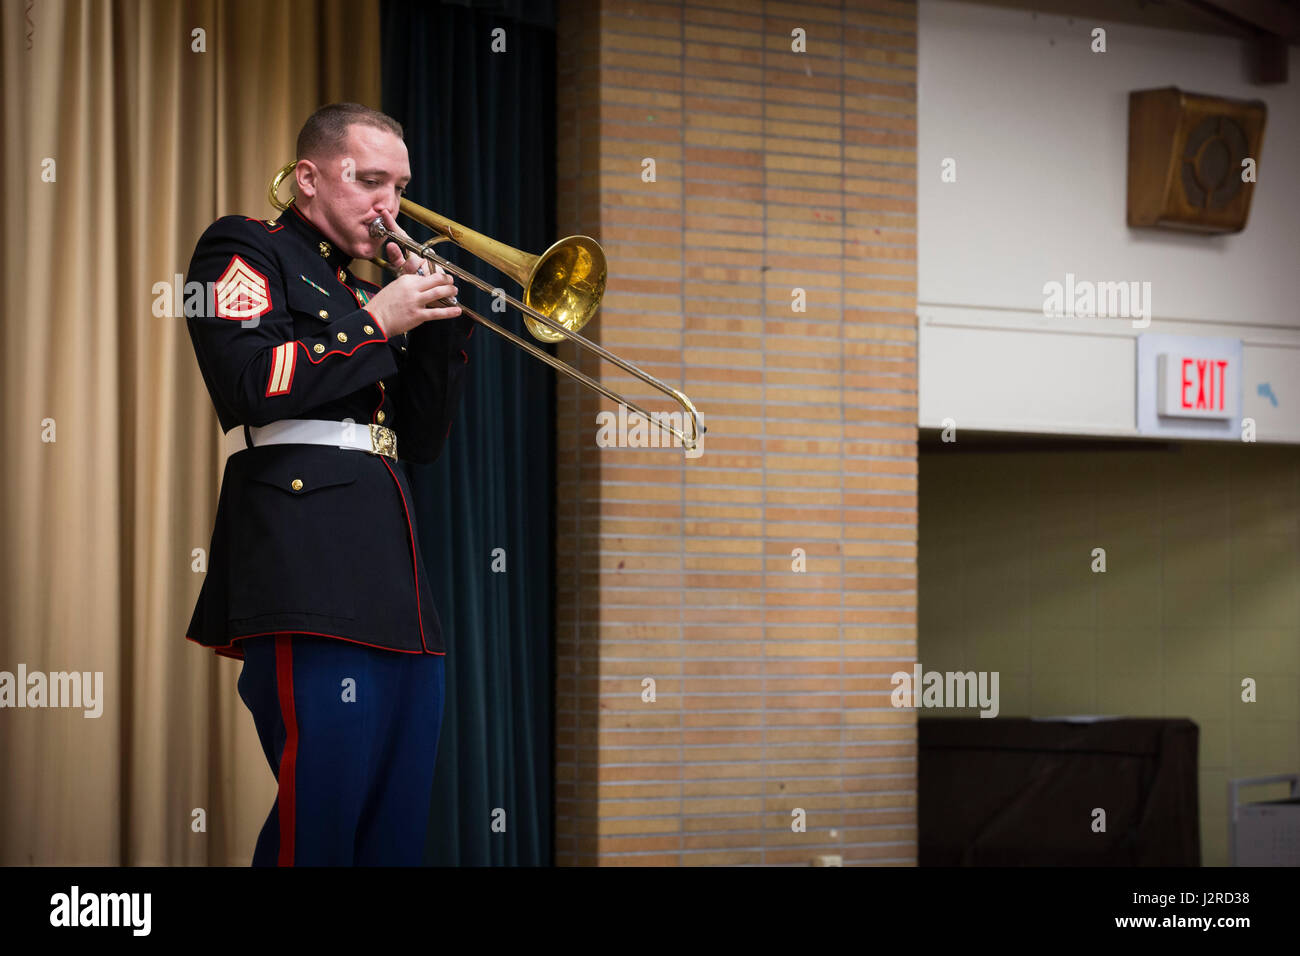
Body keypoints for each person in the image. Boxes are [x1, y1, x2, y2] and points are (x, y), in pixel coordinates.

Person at [183, 102, 472, 865]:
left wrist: (437, 326)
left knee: (395, 830)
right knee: (321, 820)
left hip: (396, 583)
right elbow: (250, 379)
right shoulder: (244, 247)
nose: (391, 206)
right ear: (308, 179)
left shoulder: (354, 286)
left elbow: (421, 440)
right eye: (369, 179)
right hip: (304, 559)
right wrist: (376, 322)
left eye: (400, 186)